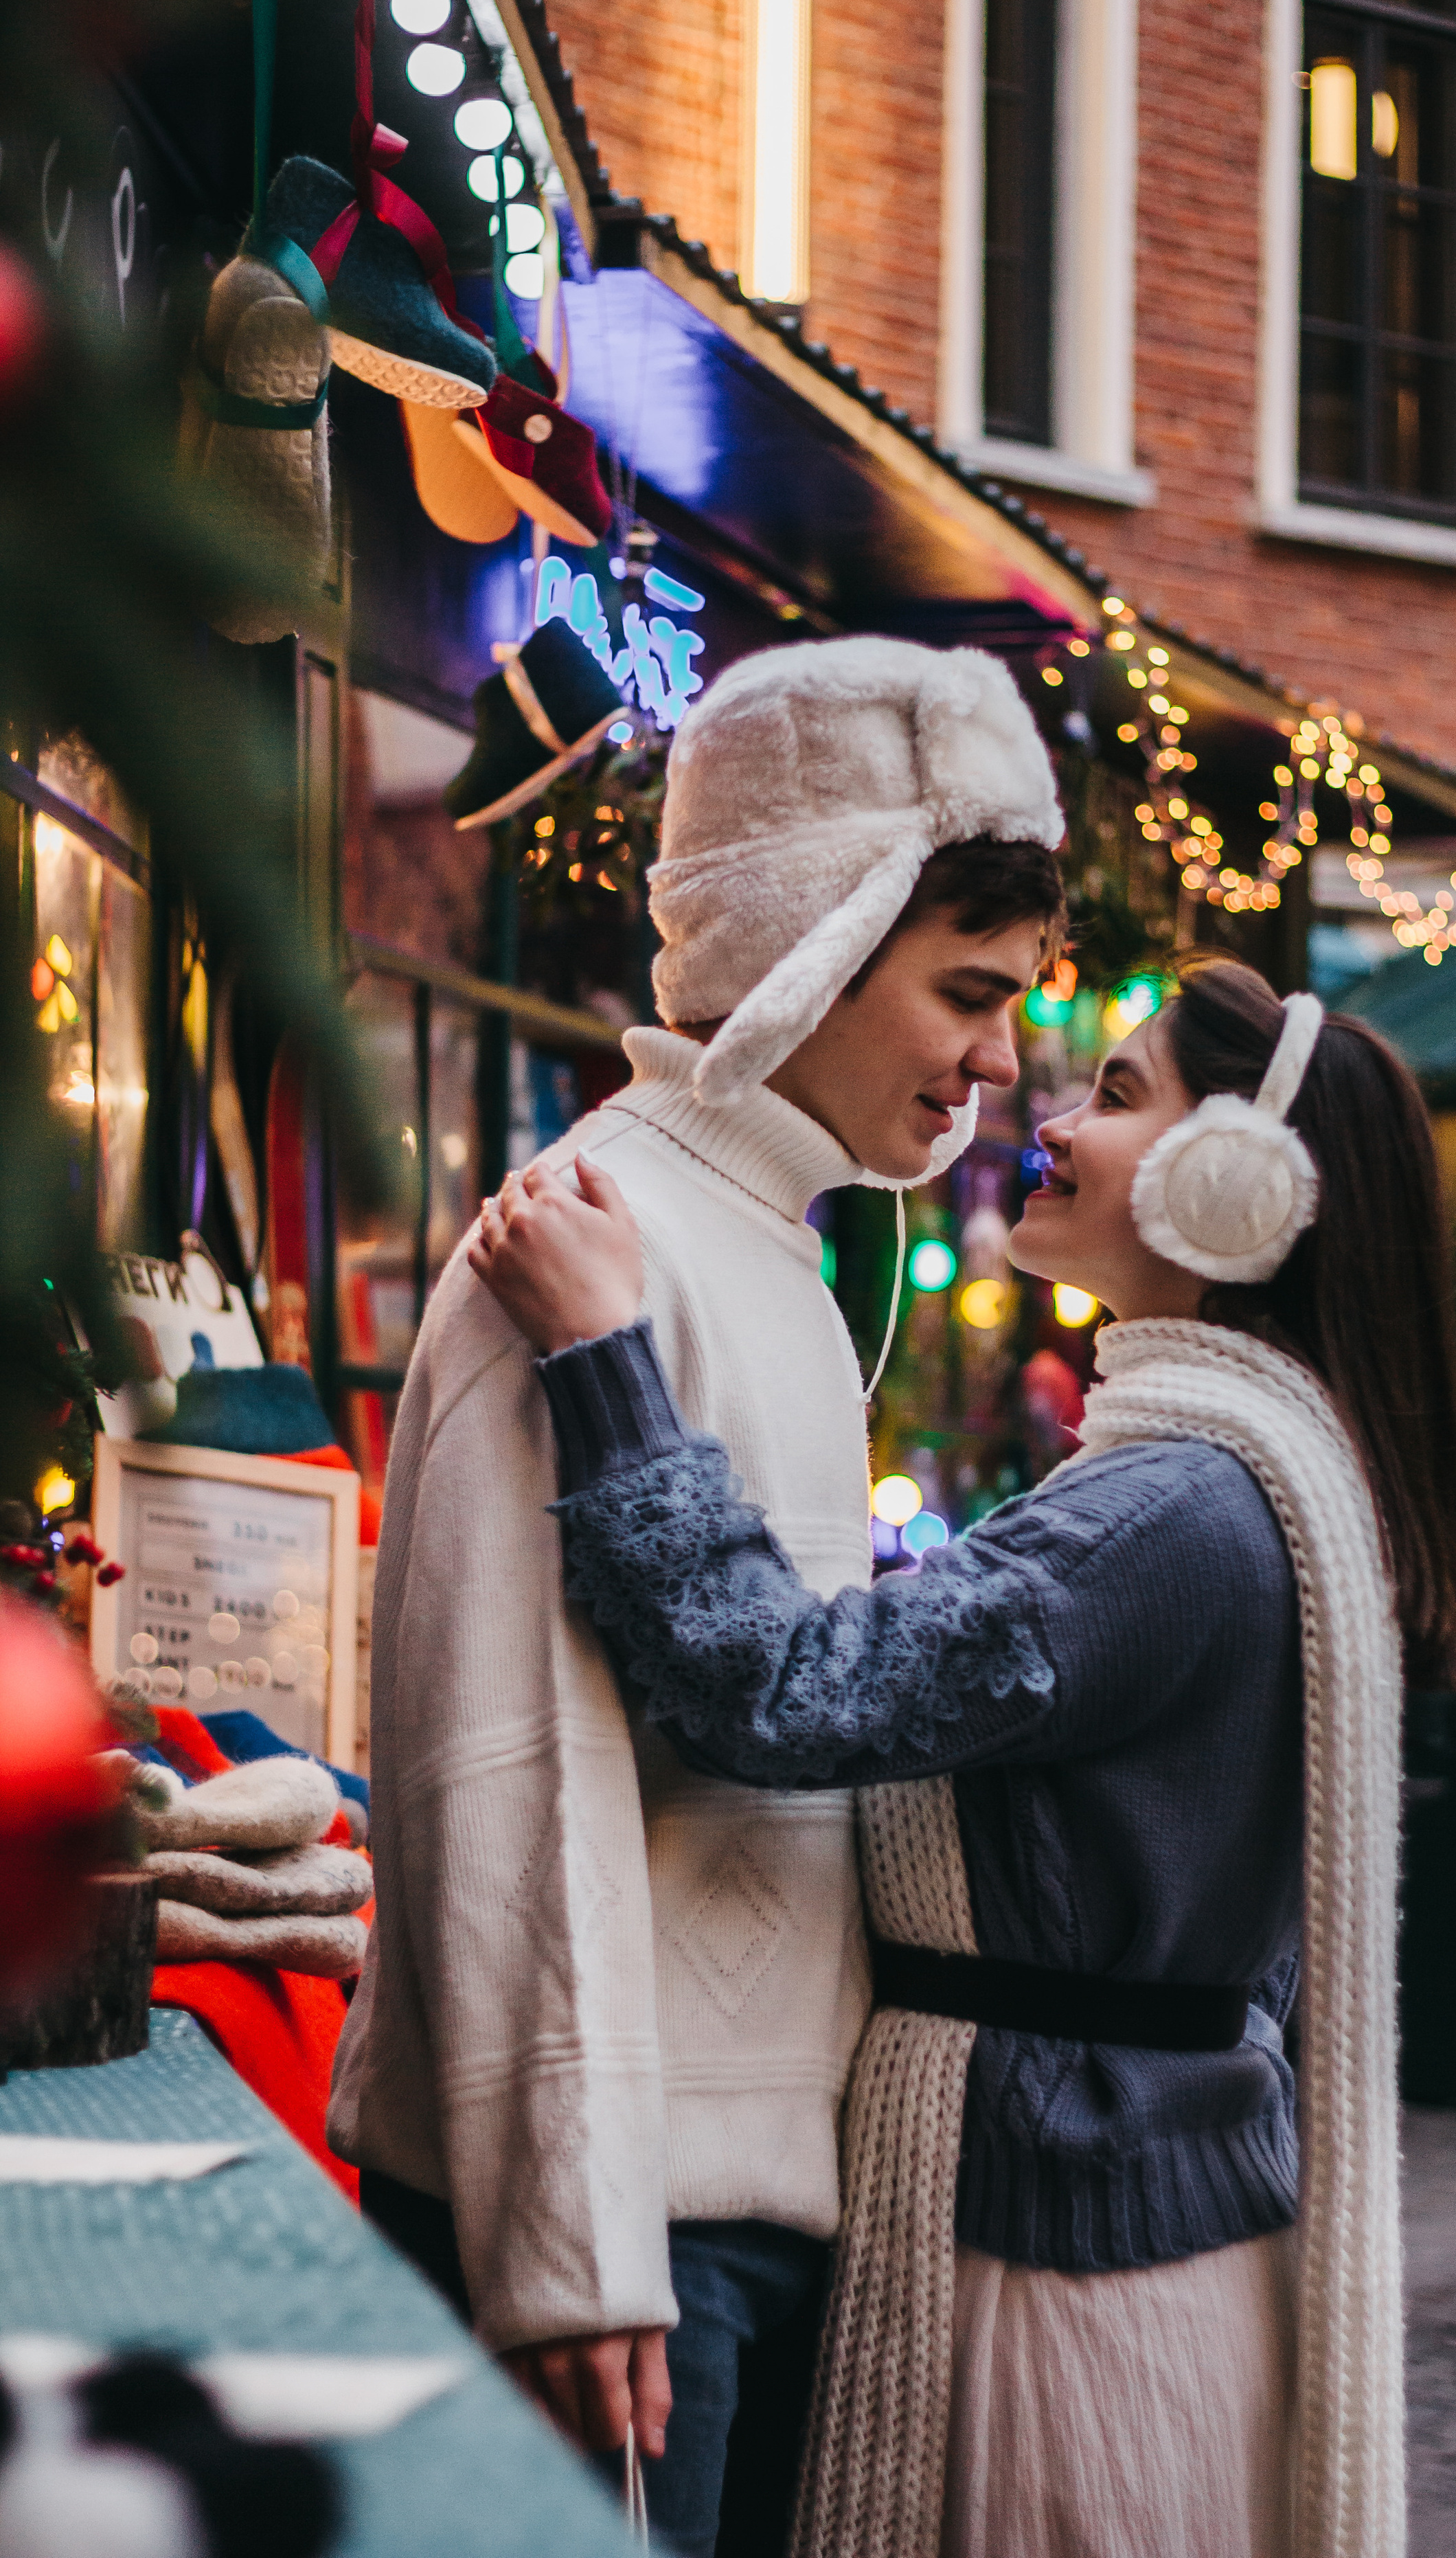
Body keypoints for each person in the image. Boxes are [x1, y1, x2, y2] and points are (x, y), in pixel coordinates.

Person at [470, 952, 1456, 2558]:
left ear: (1235, 1186)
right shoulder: (1252, 1478)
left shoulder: (1168, 1512)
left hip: (1060, 2278)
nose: (1051, 1116)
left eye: (1121, 1094)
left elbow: (782, 1690)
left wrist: (606, 1358)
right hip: (1129, 2232)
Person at [328, 637, 1065, 2558]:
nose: (1003, 1063)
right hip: (625, 2235)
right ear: (816, 939)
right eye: (969, 993)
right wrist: (567, 2242)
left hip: (727, 2208)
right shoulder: (600, 1237)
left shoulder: (768, 1250)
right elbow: (502, 1759)